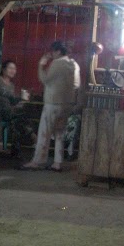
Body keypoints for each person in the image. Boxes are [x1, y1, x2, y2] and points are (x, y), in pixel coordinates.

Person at [23, 41, 80, 172]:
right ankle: (57, 163)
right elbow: (77, 85)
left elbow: (44, 79)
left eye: (53, 51)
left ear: (58, 51)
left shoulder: (57, 63)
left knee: (45, 132)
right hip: (67, 104)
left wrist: (41, 64)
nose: (52, 54)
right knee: (60, 133)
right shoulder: (74, 64)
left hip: (53, 103)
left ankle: (38, 161)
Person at [0, 60, 35, 156]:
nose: (13, 70)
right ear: (3, 70)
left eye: (14, 68)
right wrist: (8, 97)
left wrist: (20, 98)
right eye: (10, 68)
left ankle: (17, 146)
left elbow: (12, 101)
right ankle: (31, 135)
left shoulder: (11, 85)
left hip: (8, 112)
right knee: (17, 117)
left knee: (17, 120)